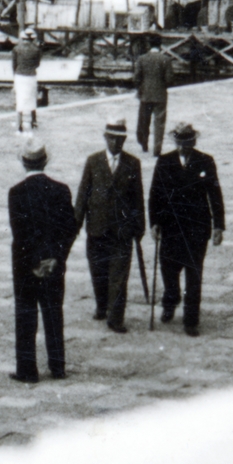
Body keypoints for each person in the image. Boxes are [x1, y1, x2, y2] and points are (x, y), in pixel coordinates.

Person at [147, 123, 226, 335]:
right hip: (170, 227)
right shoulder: (165, 161)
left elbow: (215, 194)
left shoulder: (205, 161)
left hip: (197, 228)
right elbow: (155, 193)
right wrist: (154, 222)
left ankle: (191, 320)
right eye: (180, 143)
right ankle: (170, 299)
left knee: (194, 274)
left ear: (194, 142)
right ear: (175, 142)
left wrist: (219, 226)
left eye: (187, 143)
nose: (183, 147)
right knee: (169, 271)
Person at [7, 139, 73, 382]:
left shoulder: (16, 193)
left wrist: (35, 262)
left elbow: (20, 233)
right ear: (45, 160)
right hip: (54, 264)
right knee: (53, 312)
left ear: (24, 163)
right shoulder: (61, 190)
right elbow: (69, 229)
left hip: (25, 266)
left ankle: (27, 369)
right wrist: (54, 258)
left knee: (26, 315)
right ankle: (58, 366)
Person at [72, 119, 145, 334]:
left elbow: (137, 197)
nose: (115, 142)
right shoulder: (93, 161)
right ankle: (102, 305)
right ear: (105, 138)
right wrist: (75, 224)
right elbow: (83, 194)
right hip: (96, 227)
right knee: (98, 271)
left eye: (120, 138)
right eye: (112, 138)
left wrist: (139, 227)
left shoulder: (133, 163)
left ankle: (116, 318)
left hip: (122, 229)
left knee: (119, 275)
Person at [131, 41, 175, 159]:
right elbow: (169, 79)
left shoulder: (141, 59)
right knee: (159, 123)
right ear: (160, 46)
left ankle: (144, 144)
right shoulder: (166, 59)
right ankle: (157, 149)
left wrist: (140, 88)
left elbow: (136, 78)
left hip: (145, 95)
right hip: (160, 95)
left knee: (144, 121)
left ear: (149, 46)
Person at [12, 26, 42, 133]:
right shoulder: (36, 49)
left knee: (19, 99)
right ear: (32, 38)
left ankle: (19, 126)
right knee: (32, 98)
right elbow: (37, 64)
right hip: (31, 76)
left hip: (19, 75)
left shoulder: (16, 49)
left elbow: (14, 65)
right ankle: (33, 121)